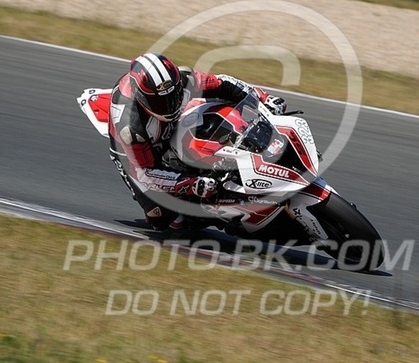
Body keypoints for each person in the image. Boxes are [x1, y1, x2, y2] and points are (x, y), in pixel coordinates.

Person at [108, 52, 287, 230]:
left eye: (173, 95)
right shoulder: (131, 128)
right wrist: (191, 183)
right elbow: (146, 172)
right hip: (135, 155)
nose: (169, 104)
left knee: (221, 107)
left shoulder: (185, 79)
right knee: (162, 218)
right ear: (140, 96)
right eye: (159, 101)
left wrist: (264, 99)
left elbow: (224, 83)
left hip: (175, 122)